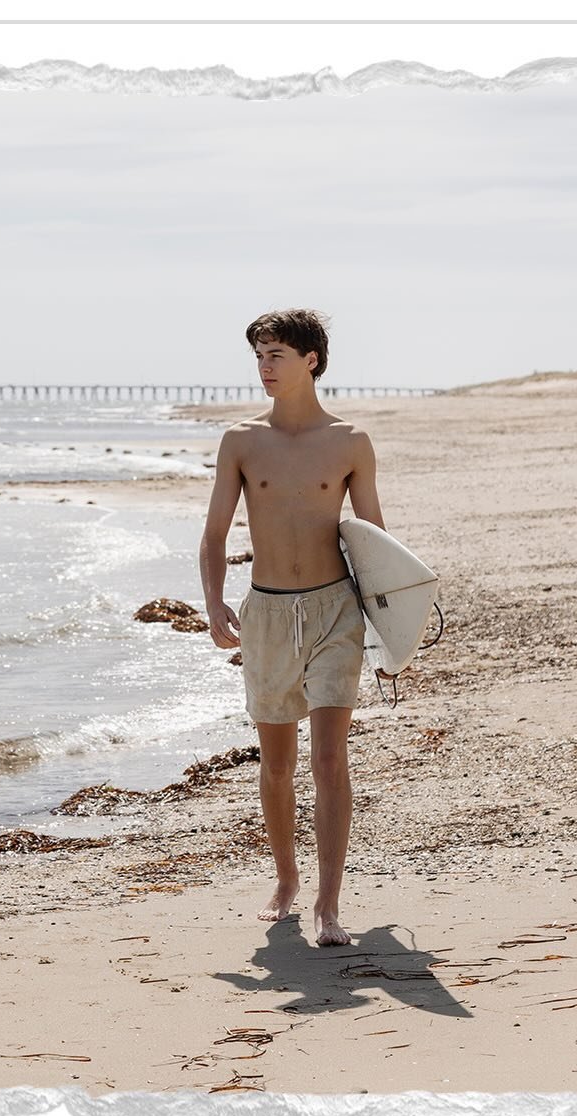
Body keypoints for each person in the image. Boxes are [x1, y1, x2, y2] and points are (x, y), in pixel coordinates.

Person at [199, 309, 385, 947]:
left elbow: (375, 542)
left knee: (330, 758)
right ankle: (286, 878)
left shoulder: (351, 443)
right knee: (277, 764)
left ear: (311, 360)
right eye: (259, 355)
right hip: (269, 612)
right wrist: (214, 602)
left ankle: (329, 903)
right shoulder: (241, 442)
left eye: (276, 353)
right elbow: (216, 533)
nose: (264, 367)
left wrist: (392, 626)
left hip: (337, 608)